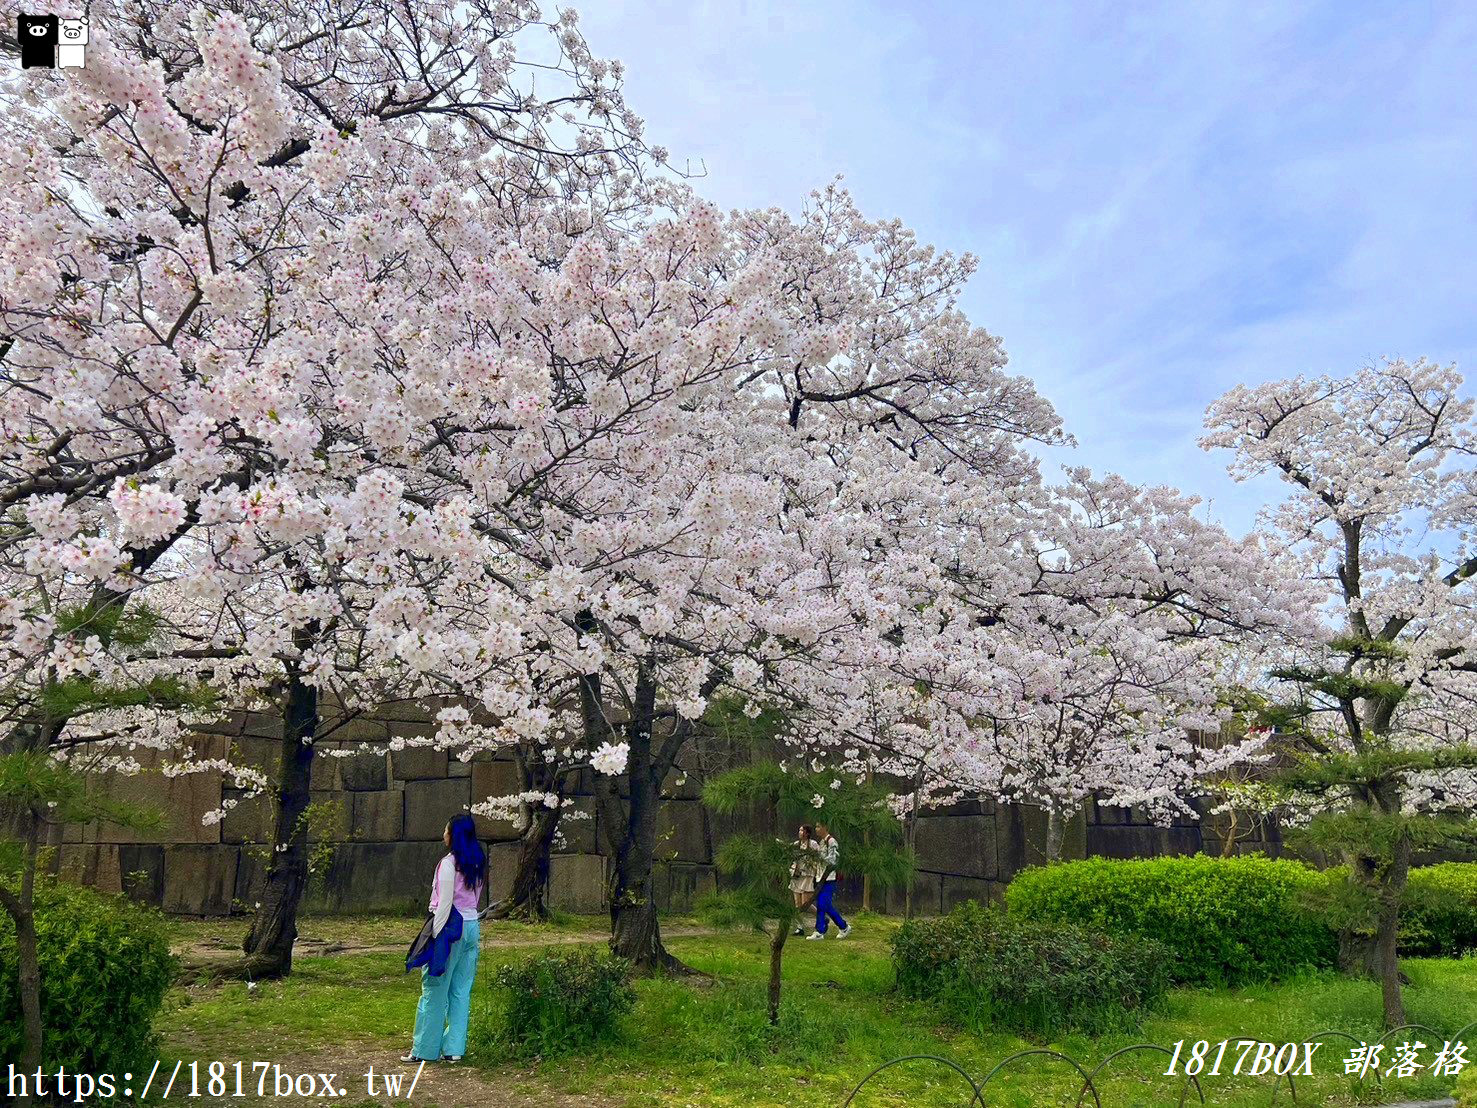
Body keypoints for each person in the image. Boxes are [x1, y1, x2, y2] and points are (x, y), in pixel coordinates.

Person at [403, 813, 486, 1064]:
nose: (443, 833)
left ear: (454, 835)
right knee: (461, 990)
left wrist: (435, 936)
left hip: (451, 927)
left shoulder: (448, 864)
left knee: (434, 988)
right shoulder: (477, 861)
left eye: (446, 829)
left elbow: (445, 903)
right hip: (472, 925)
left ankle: (425, 1049)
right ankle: (454, 1049)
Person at [806, 821, 850, 940]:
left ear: (825, 827)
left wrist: (819, 857)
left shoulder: (831, 841)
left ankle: (820, 930)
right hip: (821, 877)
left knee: (821, 904)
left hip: (830, 878)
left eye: (818, 826)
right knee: (826, 905)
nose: (816, 829)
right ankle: (843, 926)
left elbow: (833, 860)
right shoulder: (821, 842)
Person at [788, 824, 819, 936]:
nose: (800, 832)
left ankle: (822, 917)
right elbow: (788, 848)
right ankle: (799, 927)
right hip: (797, 875)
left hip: (807, 875)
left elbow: (818, 857)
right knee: (797, 904)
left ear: (807, 833)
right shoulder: (797, 844)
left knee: (806, 903)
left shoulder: (813, 844)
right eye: (799, 830)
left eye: (802, 830)